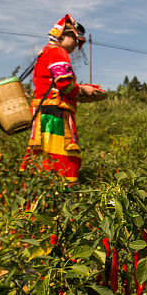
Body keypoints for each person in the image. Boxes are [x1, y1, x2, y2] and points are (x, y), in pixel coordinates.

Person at [23, 14, 99, 184]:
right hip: (55, 112)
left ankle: (39, 194)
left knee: (43, 153)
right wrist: (83, 90)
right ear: (64, 36)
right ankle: (62, 198)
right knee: (61, 156)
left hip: (46, 110)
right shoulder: (58, 51)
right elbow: (64, 83)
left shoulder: (46, 51)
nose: (76, 46)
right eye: (75, 40)